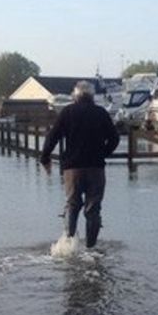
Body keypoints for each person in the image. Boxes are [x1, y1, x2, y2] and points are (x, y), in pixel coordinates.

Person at [40, 80, 120, 248]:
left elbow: (52, 137)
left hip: (73, 168)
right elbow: (114, 139)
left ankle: (69, 244)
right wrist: (102, 154)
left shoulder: (67, 112)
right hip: (96, 167)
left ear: (75, 96)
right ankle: (91, 248)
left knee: (72, 204)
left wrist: (45, 158)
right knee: (93, 208)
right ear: (92, 96)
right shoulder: (101, 113)